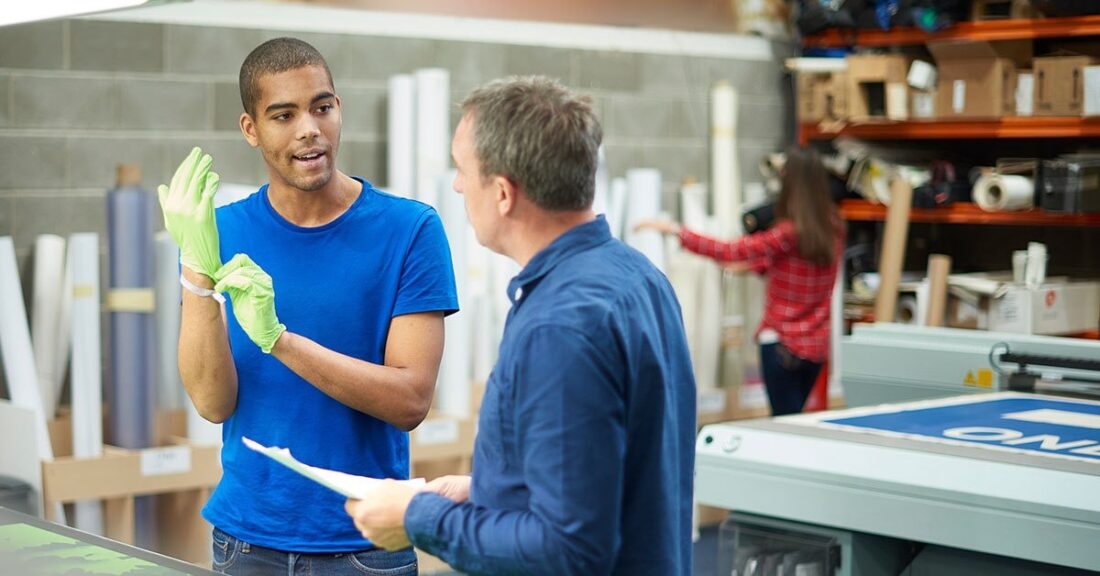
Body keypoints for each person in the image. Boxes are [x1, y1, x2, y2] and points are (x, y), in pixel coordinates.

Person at [344, 76, 697, 575]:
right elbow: (608, 473)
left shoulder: (561, 327)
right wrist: (490, 487)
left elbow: (568, 551)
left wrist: (418, 517)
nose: (458, 185)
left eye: (464, 170)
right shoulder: (638, 277)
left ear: (504, 193)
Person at [157, 37, 458, 574]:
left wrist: (279, 340)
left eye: (322, 107)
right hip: (244, 544)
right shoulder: (221, 232)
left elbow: (411, 400)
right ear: (251, 129)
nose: (309, 129)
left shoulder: (409, 230)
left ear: (339, 108)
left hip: (365, 546)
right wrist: (196, 275)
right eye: (283, 114)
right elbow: (212, 403)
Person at [637, 146, 843, 416]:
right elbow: (797, 268)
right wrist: (753, 267)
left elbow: (729, 249)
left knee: (783, 423)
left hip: (782, 346)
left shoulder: (787, 232)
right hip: (816, 348)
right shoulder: (833, 228)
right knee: (795, 420)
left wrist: (675, 230)